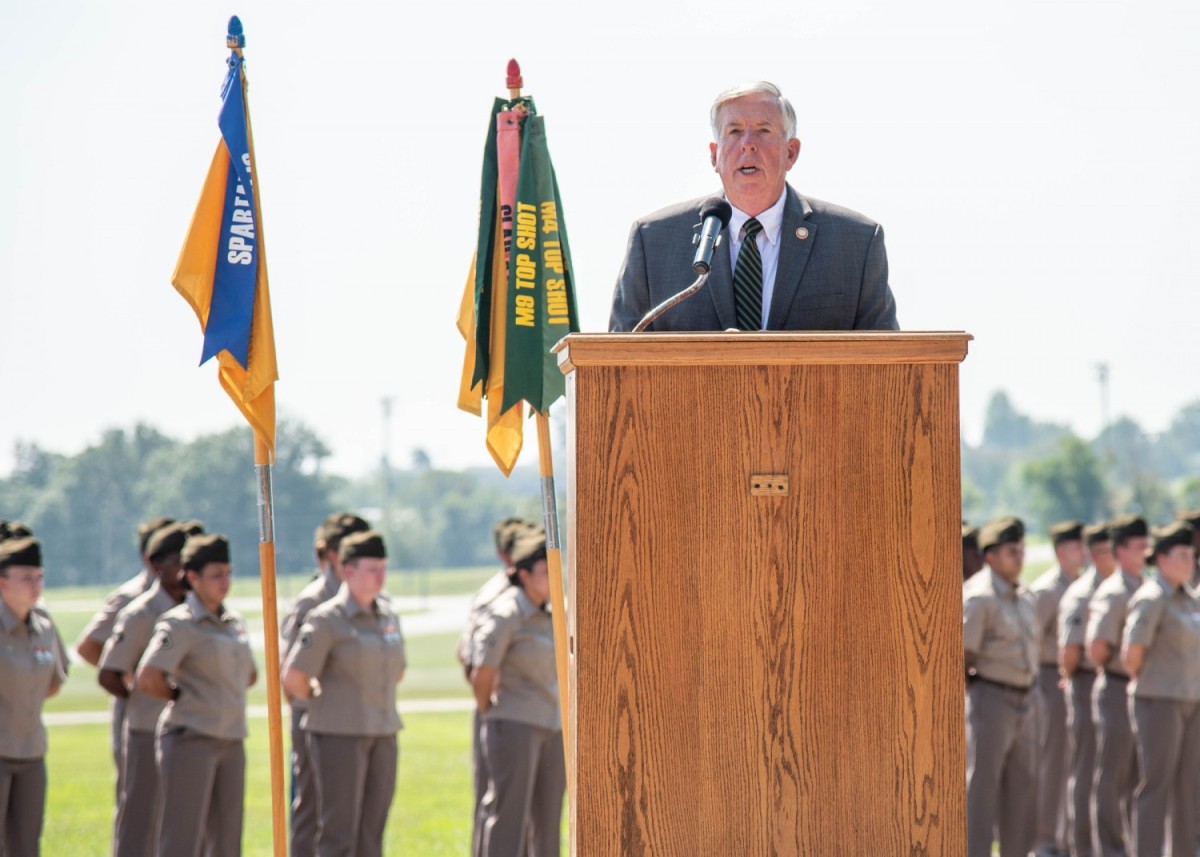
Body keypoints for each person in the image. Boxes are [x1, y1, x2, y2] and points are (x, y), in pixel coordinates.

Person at [609, 80, 898, 333]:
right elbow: (617, 362)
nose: (748, 144)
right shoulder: (653, 241)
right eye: (734, 132)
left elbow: (888, 363)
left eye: (763, 130)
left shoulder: (856, 243)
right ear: (715, 155)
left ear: (791, 152)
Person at [282, 530, 406, 857]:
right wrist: (326, 705)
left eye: (383, 568)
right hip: (338, 736)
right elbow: (295, 677)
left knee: (372, 832)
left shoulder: (387, 616)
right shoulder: (327, 619)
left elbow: (398, 668)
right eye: (371, 569)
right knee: (338, 832)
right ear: (347, 571)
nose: (379, 576)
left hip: (382, 731)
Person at [137, 533, 256, 857]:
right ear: (192, 577)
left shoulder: (233, 623)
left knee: (227, 840)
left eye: (228, 573)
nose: (225, 582)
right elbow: (149, 676)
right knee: (182, 838)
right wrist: (179, 694)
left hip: (230, 738)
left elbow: (250, 674)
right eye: (216, 575)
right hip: (191, 738)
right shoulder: (180, 624)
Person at [75, 513, 176, 836]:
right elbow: (89, 646)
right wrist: (130, 679)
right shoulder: (130, 598)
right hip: (137, 710)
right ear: (151, 558)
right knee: (138, 805)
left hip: (173, 713)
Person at [97, 522, 193, 857]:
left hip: (186, 729)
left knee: (180, 823)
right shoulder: (140, 612)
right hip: (145, 728)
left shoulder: (194, 609)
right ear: (157, 564)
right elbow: (108, 673)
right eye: (180, 562)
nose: (185, 572)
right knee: (140, 820)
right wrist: (139, 697)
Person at [278, 511, 370, 857]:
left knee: (358, 818)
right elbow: (290, 672)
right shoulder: (312, 602)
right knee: (313, 813)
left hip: (360, 721)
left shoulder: (367, 601)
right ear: (333, 555)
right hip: (317, 724)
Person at [472, 528, 565, 857]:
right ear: (524, 574)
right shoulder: (506, 613)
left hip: (552, 724)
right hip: (515, 723)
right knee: (508, 819)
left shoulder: (555, 611)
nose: (555, 577)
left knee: (548, 822)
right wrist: (489, 709)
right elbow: (482, 671)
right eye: (545, 571)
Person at [456, 516, 536, 857]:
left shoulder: (539, 594)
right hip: (502, 711)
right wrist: (490, 705)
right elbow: (469, 655)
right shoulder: (497, 596)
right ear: (507, 557)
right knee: (497, 803)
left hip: (537, 713)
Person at [1121, 521, 1200, 857]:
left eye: (1192, 555)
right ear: (1162, 559)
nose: (1190, 562)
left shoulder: (1190, 599)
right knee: (1156, 785)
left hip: (1191, 700)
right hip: (1159, 701)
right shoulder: (1151, 598)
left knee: (1188, 787)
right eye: (1182, 555)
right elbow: (1132, 656)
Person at [962, 516, 1038, 857]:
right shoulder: (979, 597)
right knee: (982, 787)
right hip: (991, 696)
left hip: (1026, 697)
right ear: (991, 555)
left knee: (1022, 787)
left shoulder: (1023, 595)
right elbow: (963, 656)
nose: (1020, 557)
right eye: (1012, 551)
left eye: (1021, 550)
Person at [1085, 513, 1150, 857]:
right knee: (1111, 775)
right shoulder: (1113, 592)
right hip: (1115, 686)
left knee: (1136, 775)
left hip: (1142, 690)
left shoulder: (1144, 586)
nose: (1147, 551)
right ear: (1121, 550)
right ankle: (1110, 850)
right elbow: (1097, 649)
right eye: (1140, 546)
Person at [0, 536, 66, 857]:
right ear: (2, 583)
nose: (35, 585)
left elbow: (52, 683)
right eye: (25, 578)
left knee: (27, 846)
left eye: (39, 577)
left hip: (30, 752)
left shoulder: (43, 627)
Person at [1057, 521, 1116, 857]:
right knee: (1085, 768)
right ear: (1097, 554)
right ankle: (1080, 846)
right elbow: (1069, 653)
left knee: (1110, 771)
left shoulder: (1120, 587)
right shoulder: (1080, 594)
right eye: (1110, 550)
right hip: (1084, 683)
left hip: (1111, 686)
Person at [1029, 520, 1086, 857]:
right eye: (1078, 546)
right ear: (1062, 551)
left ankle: (1065, 837)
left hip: (1069, 679)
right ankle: (1045, 838)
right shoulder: (1048, 589)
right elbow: (1032, 639)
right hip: (1049, 677)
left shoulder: (1076, 584)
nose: (1084, 553)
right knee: (1053, 761)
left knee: (1070, 761)